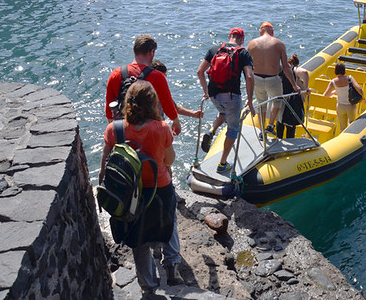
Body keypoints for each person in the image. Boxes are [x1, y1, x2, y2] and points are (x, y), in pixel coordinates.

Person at [99, 81, 183, 293]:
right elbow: (169, 160)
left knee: (139, 240)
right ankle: (172, 264)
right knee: (169, 220)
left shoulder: (114, 129)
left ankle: (148, 286)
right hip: (159, 188)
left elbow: (104, 167)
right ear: (154, 104)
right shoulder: (162, 128)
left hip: (129, 195)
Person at [196, 27, 255, 173]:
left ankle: (211, 131)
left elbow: (199, 71)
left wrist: (206, 91)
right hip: (232, 96)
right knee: (233, 129)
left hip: (214, 95)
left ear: (229, 36)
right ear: (242, 39)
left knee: (223, 113)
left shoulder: (214, 49)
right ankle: (222, 163)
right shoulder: (243, 52)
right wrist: (250, 100)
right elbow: (249, 76)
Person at [105, 34, 181, 136]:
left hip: (125, 130)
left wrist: (116, 132)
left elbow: (109, 110)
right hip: (151, 132)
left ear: (135, 50)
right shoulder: (157, 76)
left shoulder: (116, 73)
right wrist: (176, 121)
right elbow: (167, 105)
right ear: (152, 52)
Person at [247, 22, 299, 137]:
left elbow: (247, 67)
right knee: (277, 101)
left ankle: (261, 131)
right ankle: (270, 126)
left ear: (260, 32)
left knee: (261, 104)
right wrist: (295, 85)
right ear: (272, 32)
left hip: (257, 79)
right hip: (273, 79)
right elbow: (286, 67)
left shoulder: (252, 44)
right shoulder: (279, 43)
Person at [323, 62, 365, 132]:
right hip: (351, 106)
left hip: (340, 106)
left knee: (343, 128)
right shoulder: (350, 78)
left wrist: (334, 92)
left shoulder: (333, 81)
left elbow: (326, 95)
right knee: (352, 125)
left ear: (335, 70)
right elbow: (359, 89)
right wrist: (363, 98)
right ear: (344, 70)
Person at [276, 53, 309, 139]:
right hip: (290, 101)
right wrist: (305, 89)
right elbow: (305, 73)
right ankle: (290, 142)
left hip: (280, 99)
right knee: (290, 125)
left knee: (280, 122)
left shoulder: (281, 69)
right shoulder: (294, 70)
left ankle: (278, 141)